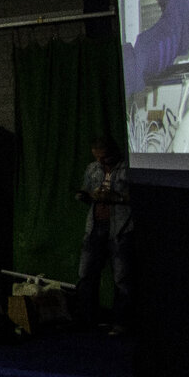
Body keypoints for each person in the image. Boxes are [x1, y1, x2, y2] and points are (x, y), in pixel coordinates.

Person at [73, 136, 131, 332]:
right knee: (86, 274)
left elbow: (140, 195)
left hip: (120, 229)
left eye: (104, 158)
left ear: (113, 153)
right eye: (97, 157)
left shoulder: (126, 169)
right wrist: (85, 195)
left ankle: (121, 322)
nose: (100, 162)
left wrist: (115, 197)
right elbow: (85, 189)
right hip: (95, 227)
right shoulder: (93, 169)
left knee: (122, 278)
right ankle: (88, 320)